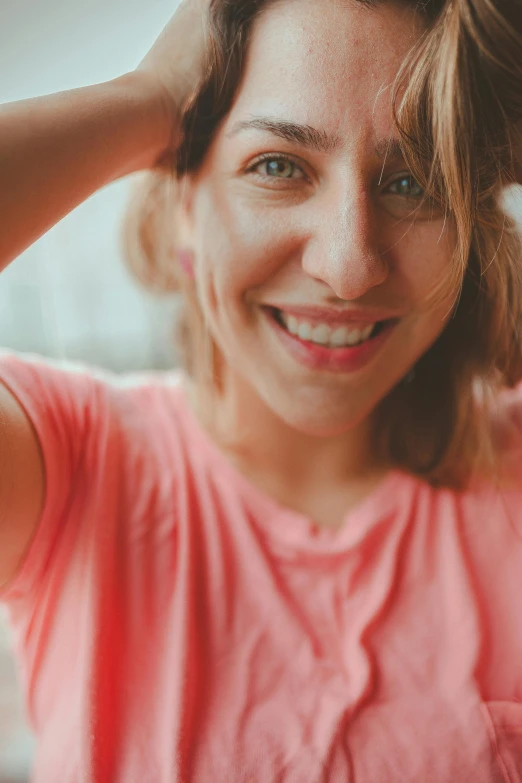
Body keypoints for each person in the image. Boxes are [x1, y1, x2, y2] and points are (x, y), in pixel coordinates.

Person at [0, 0, 521, 779]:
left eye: (414, 180)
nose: (349, 266)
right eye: (278, 165)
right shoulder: (63, 464)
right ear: (182, 204)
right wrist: (146, 97)